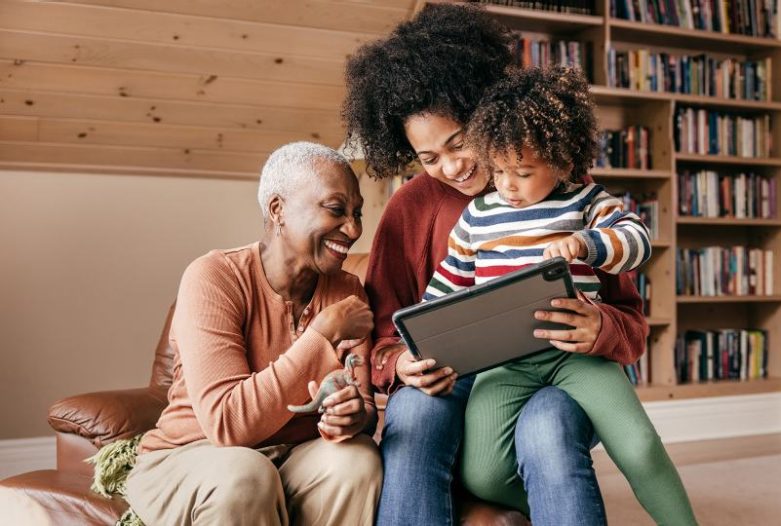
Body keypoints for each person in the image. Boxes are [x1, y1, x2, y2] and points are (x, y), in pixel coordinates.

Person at [343, 4, 648, 525]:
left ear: (484, 114)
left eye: (459, 142)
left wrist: (599, 326)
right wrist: (399, 365)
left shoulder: (557, 182)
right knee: (413, 418)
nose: (452, 166)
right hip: (450, 376)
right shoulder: (409, 208)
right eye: (429, 158)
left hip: (556, 372)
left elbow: (630, 320)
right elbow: (382, 330)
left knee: (548, 428)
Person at [423, 66, 697, 525]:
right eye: (500, 169)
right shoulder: (476, 217)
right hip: (504, 362)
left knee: (640, 446)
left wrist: (588, 242)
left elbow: (637, 240)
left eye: (524, 172)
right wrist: (425, 337)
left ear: (563, 161)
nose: (507, 184)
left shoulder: (587, 200)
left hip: (576, 355)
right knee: (483, 474)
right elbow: (447, 288)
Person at [124, 142, 383, 526]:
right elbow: (228, 424)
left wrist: (353, 416)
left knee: (358, 461)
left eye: (357, 213)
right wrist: (322, 333)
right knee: (245, 475)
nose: (354, 228)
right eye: (336, 209)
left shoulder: (347, 292)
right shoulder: (214, 277)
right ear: (278, 210)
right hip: (192, 454)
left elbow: (363, 407)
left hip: (295, 455)